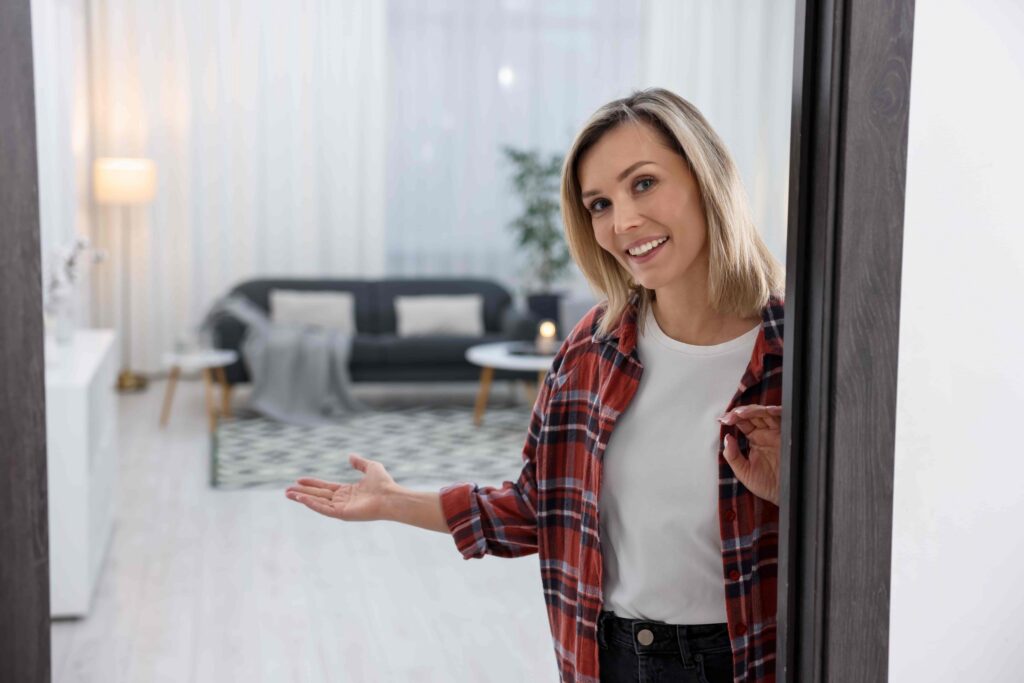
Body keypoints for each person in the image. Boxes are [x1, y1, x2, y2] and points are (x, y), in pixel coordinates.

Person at [285, 87, 785, 683]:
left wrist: (790, 490)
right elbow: (535, 507)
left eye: (644, 183)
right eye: (599, 203)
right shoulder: (590, 353)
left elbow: (864, 533)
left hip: (746, 660)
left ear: (707, 178)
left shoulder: (794, 355)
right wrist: (395, 502)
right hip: (607, 657)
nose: (622, 221)